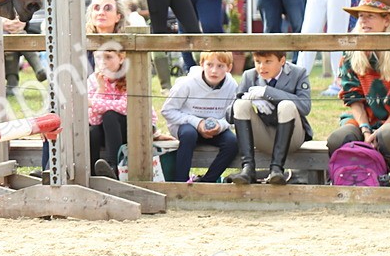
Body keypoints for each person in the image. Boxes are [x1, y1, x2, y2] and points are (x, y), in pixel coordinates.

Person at [325, 0, 390, 187]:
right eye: (360, 16)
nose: (363, 21)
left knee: (389, 136)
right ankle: (351, 184)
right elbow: (353, 97)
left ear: (387, 21)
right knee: (338, 138)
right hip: (366, 118)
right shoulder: (353, 52)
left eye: (370, 16)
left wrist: (382, 129)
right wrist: (366, 129)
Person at [227, 50, 312, 185]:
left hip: (291, 138)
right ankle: (248, 169)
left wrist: (268, 92)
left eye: (268, 61)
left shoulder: (298, 73)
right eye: (258, 62)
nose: (262, 67)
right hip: (263, 136)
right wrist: (247, 99)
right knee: (241, 104)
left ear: (282, 61)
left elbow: (305, 107)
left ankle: (277, 169)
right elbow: (229, 116)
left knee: (286, 106)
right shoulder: (249, 76)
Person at [160, 50, 239, 183]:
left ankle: (207, 181)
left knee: (233, 143)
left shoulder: (232, 86)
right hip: (187, 126)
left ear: (229, 68)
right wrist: (197, 123)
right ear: (202, 64)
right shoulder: (186, 84)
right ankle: (180, 182)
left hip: (216, 128)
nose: (214, 71)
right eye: (209, 65)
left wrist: (220, 126)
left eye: (220, 66)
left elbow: (233, 117)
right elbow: (167, 111)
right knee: (189, 134)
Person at [88, 48, 155, 179]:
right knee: (93, 131)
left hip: (134, 128)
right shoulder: (93, 80)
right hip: (109, 132)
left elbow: (127, 106)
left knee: (110, 115)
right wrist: (101, 89)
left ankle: (113, 167)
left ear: (121, 58)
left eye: (108, 57)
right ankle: (92, 173)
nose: (103, 62)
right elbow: (93, 119)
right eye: (98, 58)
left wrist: (93, 103)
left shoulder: (132, 77)